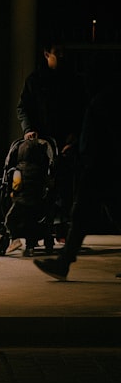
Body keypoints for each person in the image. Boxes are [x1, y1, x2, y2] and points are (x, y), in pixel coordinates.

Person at [33, 80, 121, 280]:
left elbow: (103, 135)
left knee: (82, 214)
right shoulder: (106, 97)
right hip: (103, 165)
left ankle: (63, 263)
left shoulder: (104, 99)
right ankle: (63, 262)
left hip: (100, 166)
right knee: (112, 211)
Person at [15, 41, 88, 239]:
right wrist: (29, 130)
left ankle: (61, 227)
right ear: (47, 54)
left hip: (64, 139)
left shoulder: (72, 80)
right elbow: (23, 108)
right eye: (57, 52)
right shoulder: (35, 80)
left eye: (63, 52)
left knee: (64, 184)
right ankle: (40, 225)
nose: (61, 56)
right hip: (42, 141)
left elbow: (80, 109)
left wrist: (74, 134)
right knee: (40, 182)